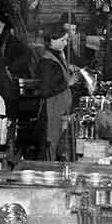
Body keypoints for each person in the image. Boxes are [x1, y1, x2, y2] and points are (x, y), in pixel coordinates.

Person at [35, 23, 78, 160]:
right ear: (51, 41)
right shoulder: (47, 62)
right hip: (50, 112)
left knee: (56, 147)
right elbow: (45, 90)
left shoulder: (56, 57)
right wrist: (68, 82)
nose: (65, 43)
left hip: (59, 112)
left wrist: (67, 68)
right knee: (50, 148)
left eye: (66, 40)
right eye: (62, 40)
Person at [0, 12, 37, 115]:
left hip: (8, 88)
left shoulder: (11, 41)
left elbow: (26, 55)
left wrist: (10, 69)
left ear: (3, 25)